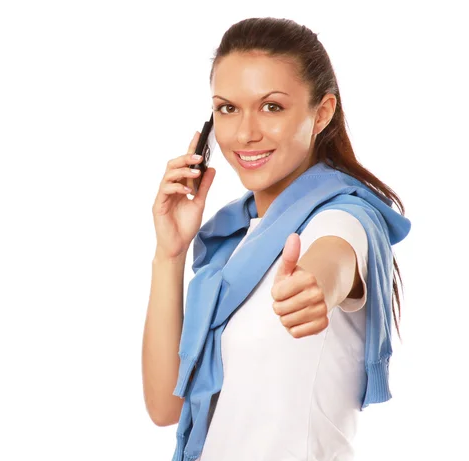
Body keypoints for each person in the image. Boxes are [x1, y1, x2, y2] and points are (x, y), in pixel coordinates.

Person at [142, 17, 410, 461]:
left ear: (321, 113)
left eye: (271, 107)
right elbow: (164, 406)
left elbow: (335, 257)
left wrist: (316, 287)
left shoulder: (344, 217)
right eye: (228, 108)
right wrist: (169, 254)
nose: (246, 133)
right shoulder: (234, 246)